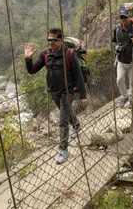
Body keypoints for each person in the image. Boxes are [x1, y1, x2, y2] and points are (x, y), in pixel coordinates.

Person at [24, 28, 88, 164]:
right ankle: (76, 124)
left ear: (60, 41)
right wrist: (28, 59)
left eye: (53, 40)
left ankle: (63, 149)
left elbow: (78, 76)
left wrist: (83, 95)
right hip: (54, 92)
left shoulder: (69, 54)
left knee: (63, 120)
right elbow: (32, 70)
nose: (50, 43)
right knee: (66, 112)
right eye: (49, 40)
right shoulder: (45, 54)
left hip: (68, 90)